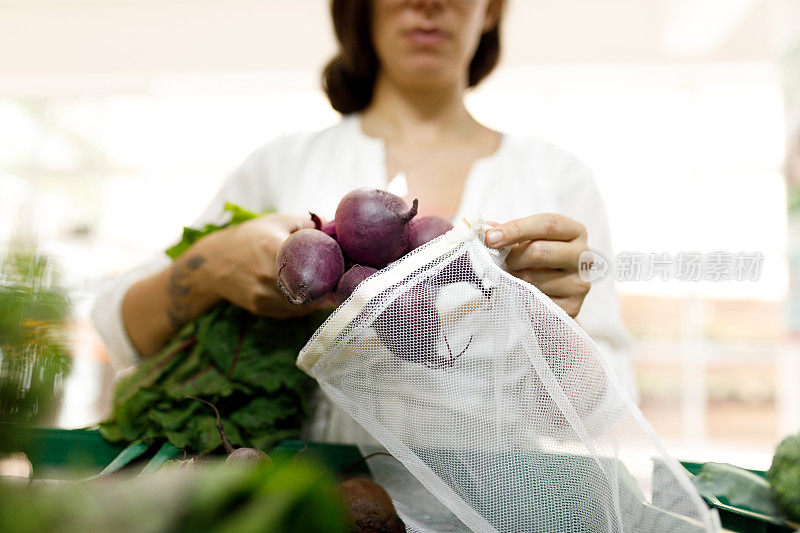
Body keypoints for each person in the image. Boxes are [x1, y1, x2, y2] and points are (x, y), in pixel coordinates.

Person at [93, 0, 636, 438]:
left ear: (491, 9)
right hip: (307, 508)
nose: (428, 5)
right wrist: (212, 264)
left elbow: (606, 408)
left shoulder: (557, 180)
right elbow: (120, 327)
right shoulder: (283, 164)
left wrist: (558, 331)